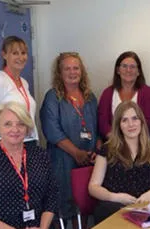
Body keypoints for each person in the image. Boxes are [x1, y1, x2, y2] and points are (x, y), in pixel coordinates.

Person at [40, 52, 100, 227]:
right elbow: (52, 131)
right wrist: (76, 153)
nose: (72, 72)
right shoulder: (53, 97)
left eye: (76, 68)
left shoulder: (90, 97)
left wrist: (96, 151)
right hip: (62, 160)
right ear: (60, 72)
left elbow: (97, 130)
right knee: (62, 203)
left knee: (84, 202)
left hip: (88, 160)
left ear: (82, 71)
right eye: (67, 68)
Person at [89, 101, 150, 224]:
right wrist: (115, 197)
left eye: (135, 118)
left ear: (141, 121)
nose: (131, 124)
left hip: (146, 207)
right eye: (124, 120)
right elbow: (93, 187)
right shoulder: (107, 150)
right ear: (118, 125)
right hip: (113, 208)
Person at [0, 102, 58, 229]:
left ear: (27, 128)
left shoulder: (39, 154)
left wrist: (43, 228)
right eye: (8, 124)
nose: (15, 129)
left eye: (21, 124)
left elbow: (51, 195)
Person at [98, 51, 150, 141]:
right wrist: (117, 141)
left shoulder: (148, 93)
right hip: (113, 143)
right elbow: (102, 122)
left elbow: (148, 123)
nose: (128, 70)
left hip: (140, 144)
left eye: (132, 67)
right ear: (118, 70)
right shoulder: (107, 93)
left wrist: (132, 141)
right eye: (124, 66)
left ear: (138, 71)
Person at [0, 36, 38, 145]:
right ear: (4, 55)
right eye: (15, 53)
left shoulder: (24, 82)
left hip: (28, 140)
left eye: (23, 53)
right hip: (8, 142)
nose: (21, 57)